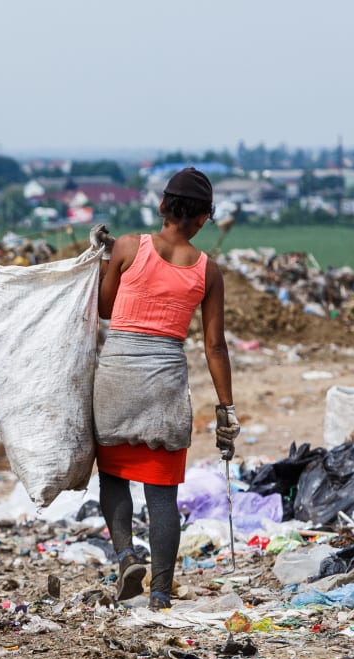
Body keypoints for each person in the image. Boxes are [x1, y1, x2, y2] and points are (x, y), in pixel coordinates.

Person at [91, 167, 241, 610]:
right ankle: (159, 593)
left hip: (117, 377)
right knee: (162, 496)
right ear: (202, 219)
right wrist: (226, 408)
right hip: (165, 385)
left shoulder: (126, 247)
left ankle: (125, 556)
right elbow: (215, 345)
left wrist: (104, 261)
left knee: (114, 477)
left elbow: (103, 307)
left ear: (161, 206)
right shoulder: (207, 270)